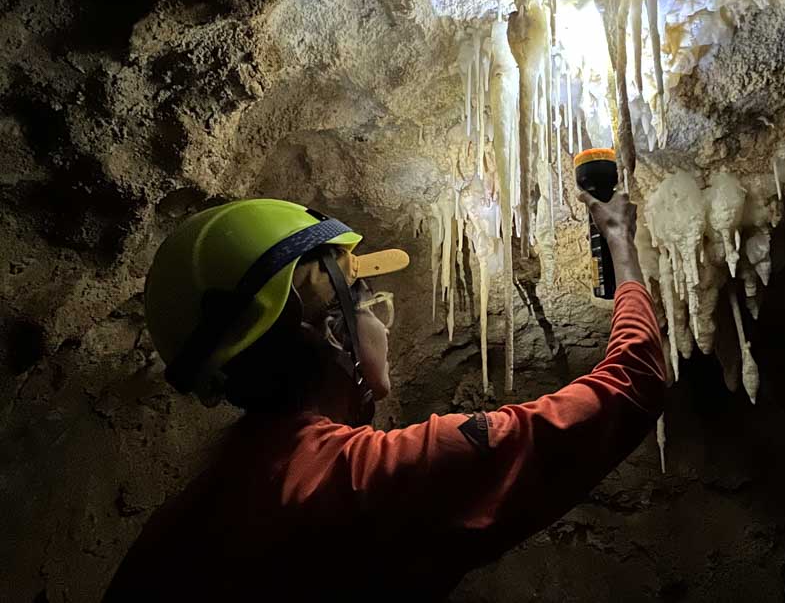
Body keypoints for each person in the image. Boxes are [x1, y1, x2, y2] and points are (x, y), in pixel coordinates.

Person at [103, 190, 666, 601]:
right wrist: (620, 243)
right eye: (366, 297)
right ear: (330, 329)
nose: (383, 319)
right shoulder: (375, 479)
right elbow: (632, 383)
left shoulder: (175, 528)